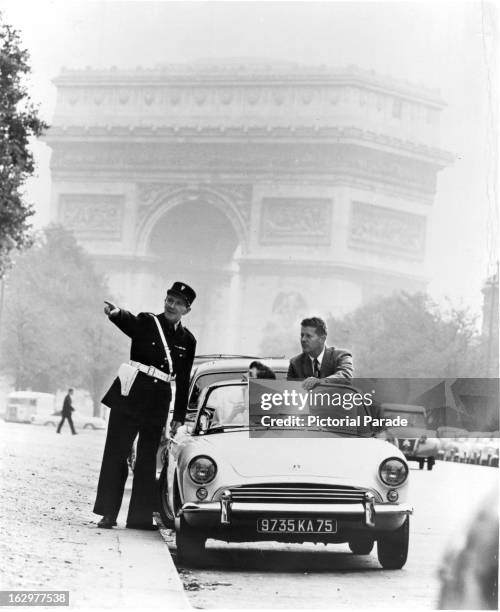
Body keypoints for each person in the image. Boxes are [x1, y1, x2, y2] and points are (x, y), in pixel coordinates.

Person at [93, 281, 197, 530]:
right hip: (131, 393)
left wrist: (178, 416)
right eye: (169, 300)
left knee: (148, 458)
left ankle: (139, 518)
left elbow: (183, 380)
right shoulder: (149, 322)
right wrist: (116, 313)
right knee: (116, 452)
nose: (172, 305)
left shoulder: (188, 340)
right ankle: (108, 514)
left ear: (187, 309)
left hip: (159, 400)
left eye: (178, 303)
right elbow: (130, 322)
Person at [287, 317, 353, 390]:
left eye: (308, 336)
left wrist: (320, 382)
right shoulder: (295, 363)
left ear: (322, 339)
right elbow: (290, 390)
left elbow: (345, 376)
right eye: (302, 335)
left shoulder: (341, 356)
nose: (303, 340)